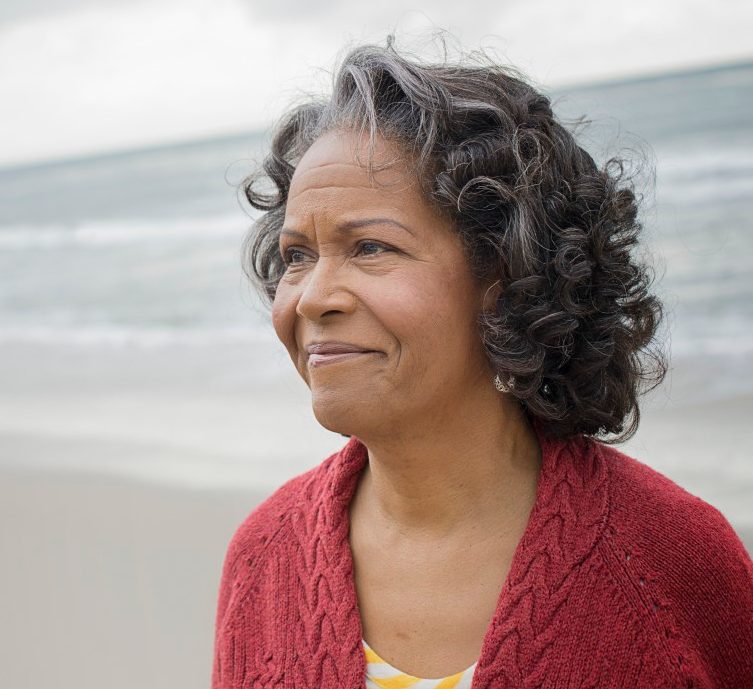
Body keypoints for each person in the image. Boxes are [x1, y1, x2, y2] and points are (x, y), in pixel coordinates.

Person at [211, 35, 753, 688]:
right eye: (298, 254)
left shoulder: (670, 559)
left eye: (370, 247)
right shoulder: (260, 558)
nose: (313, 297)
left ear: (504, 271)